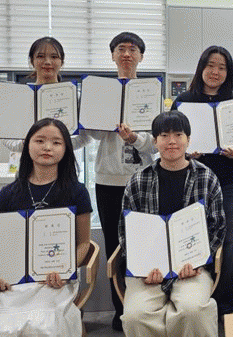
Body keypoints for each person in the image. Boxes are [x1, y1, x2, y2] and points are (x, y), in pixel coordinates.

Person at [0, 118, 92, 337]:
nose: (47, 147)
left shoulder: (77, 192)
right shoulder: (8, 193)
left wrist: (65, 270)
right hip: (11, 280)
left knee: (44, 323)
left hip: (54, 279)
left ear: (66, 149)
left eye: (56, 142)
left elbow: (83, 244)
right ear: (27, 145)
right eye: (39, 141)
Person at [119, 110, 225, 337]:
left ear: (188, 139)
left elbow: (218, 227)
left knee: (193, 310)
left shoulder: (207, 178)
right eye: (164, 135)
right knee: (135, 315)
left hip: (192, 269)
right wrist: (143, 267)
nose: (172, 141)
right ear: (155, 141)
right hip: (148, 272)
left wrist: (198, 261)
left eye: (178, 134)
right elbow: (126, 232)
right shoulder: (138, 180)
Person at [81, 31, 157, 330]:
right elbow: (88, 134)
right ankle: (119, 309)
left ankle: (143, 307)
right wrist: (104, 125)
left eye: (133, 49)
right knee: (114, 244)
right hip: (108, 180)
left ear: (141, 56)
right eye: (121, 49)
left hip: (143, 181)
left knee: (144, 243)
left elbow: (157, 141)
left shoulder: (150, 92)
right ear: (112, 55)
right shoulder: (101, 92)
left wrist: (134, 138)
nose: (127, 54)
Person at [173, 46, 233, 316]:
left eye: (221, 67)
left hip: (228, 182)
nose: (215, 72)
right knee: (192, 238)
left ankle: (225, 305)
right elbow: (172, 138)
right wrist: (186, 152)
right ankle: (193, 299)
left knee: (228, 243)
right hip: (190, 183)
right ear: (201, 68)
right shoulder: (184, 102)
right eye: (210, 65)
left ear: (228, 73)